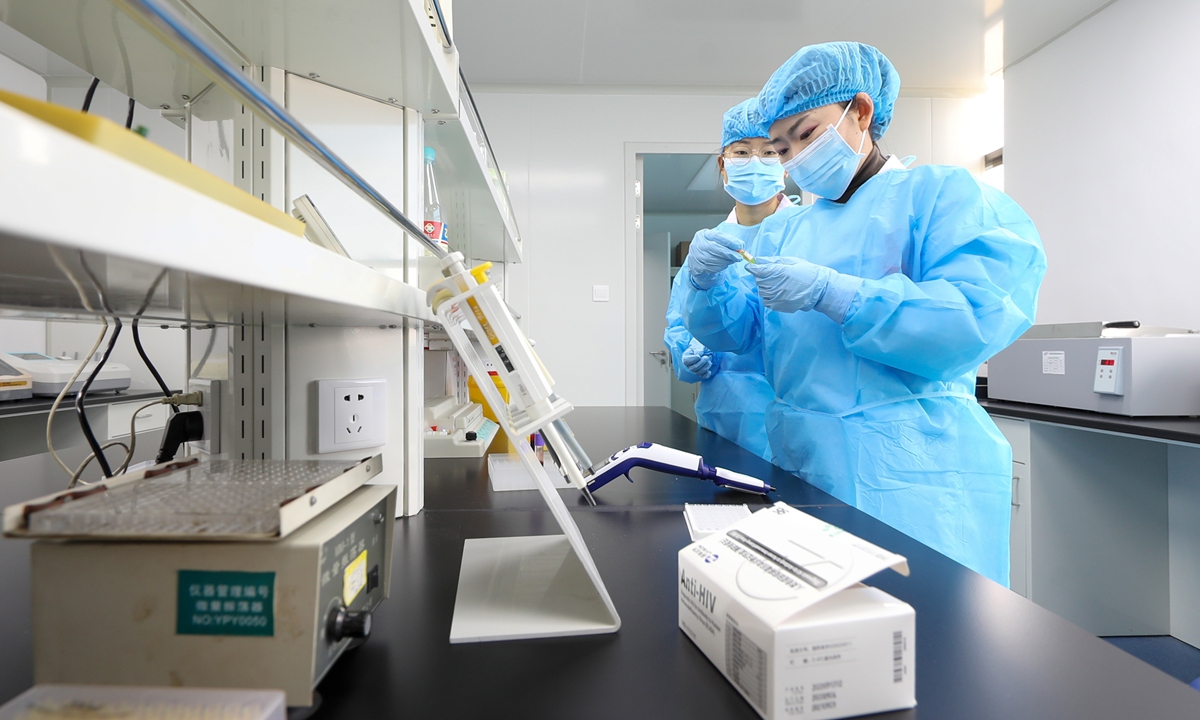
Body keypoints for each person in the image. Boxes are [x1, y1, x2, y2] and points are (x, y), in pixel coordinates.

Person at [680, 42, 1046, 585]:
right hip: (803, 459)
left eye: (805, 134)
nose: (796, 157)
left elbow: (974, 316)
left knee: (929, 639)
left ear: (861, 111)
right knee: (829, 638)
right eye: (782, 149)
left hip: (911, 472)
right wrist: (705, 284)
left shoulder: (941, 196)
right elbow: (747, 337)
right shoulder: (786, 227)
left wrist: (838, 294)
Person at [663, 99, 802, 461]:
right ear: (723, 167)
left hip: (803, 417)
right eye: (741, 152)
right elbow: (679, 325)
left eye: (769, 152)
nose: (754, 162)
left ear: (785, 164)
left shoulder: (810, 233)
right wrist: (686, 355)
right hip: (726, 418)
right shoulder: (708, 250)